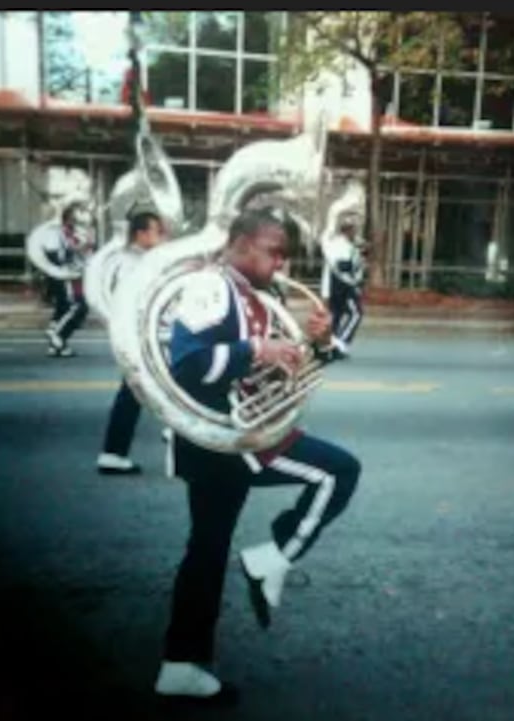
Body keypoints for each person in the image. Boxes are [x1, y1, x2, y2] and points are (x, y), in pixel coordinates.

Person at [153, 208, 361, 705]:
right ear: (242, 243)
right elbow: (186, 364)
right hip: (229, 440)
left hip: (235, 437)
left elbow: (288, 367)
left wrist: (317, 343)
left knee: (207, 548)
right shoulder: (211, 287)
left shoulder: (261, 295)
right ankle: (272, 558)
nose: (281, 262)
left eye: (284, 253)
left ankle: (179, 664)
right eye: (273, 251)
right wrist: (253, 350)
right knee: (339, 472)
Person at [97, 210, 167, 475]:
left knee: (152, 388)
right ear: (141, 234)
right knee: (133, 393)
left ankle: (174, 432)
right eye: (157, 231)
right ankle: (113, 453)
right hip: (137, 337)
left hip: (139, 336)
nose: (161, 237)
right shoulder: (133, 264)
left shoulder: (135, 260)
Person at [26, 200, 94, 357]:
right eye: (72, 213)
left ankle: (57, 345)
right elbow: (56, 255)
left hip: (69, 274)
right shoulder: (53, 231)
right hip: (63, 275)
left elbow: (75, 249)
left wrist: (81, 248)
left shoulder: (68, 230)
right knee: (78, 307)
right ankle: (57, 335)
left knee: (63, 307)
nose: (75, 217)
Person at [320, 216, 365, 359]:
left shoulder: (348, 245)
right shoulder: (339, 245)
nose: (355, 233)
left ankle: (331, 346)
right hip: (342, 285)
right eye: (353, 230)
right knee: (356, 313)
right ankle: (340, 342)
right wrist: (355, 263)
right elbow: (341, 266)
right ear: (347, 231)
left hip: (341, 285)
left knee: (336, 315)